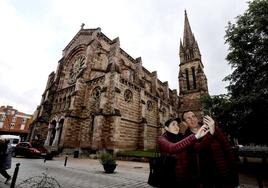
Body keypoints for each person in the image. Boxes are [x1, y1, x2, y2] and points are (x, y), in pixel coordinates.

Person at [182, 111, 239, 188]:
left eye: (193, 116)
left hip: (221, 172)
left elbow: (227, 148)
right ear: (185, 123)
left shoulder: (213, 128)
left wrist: (234, 172)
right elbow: (198, 148)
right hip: (204, 177)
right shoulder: (186, 138)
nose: (192, 119)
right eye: (188, 118)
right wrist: (210, 134)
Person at [158, 117, 209, 188]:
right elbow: (173, 148)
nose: (176, 127)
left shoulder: (181, 137)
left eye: (177, 125)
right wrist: (196, 136)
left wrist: (209, 134)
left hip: (186, 176)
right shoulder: (162, 139)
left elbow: (198, 147)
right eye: (173, 124)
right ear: (166, 128)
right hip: (170, 178)